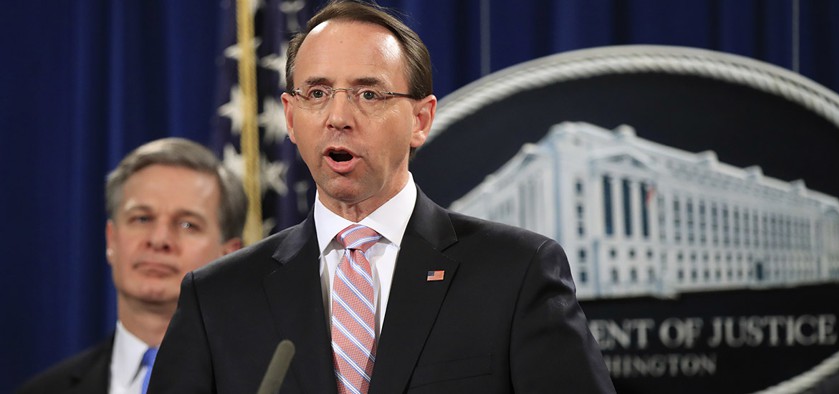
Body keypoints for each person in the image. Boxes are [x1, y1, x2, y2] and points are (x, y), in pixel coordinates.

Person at [149, 1, 615, 393]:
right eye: (317, 92)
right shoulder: (216, 300)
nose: (338, 116)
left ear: (420, 120)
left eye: (368, 94)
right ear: (290, 118)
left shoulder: (516, 273)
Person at [16, 138, 247, 394]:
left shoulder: (264, 384)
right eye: (142, 218)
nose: (159, 240)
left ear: (229, 255)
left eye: (187, 224)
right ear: (111, 240)